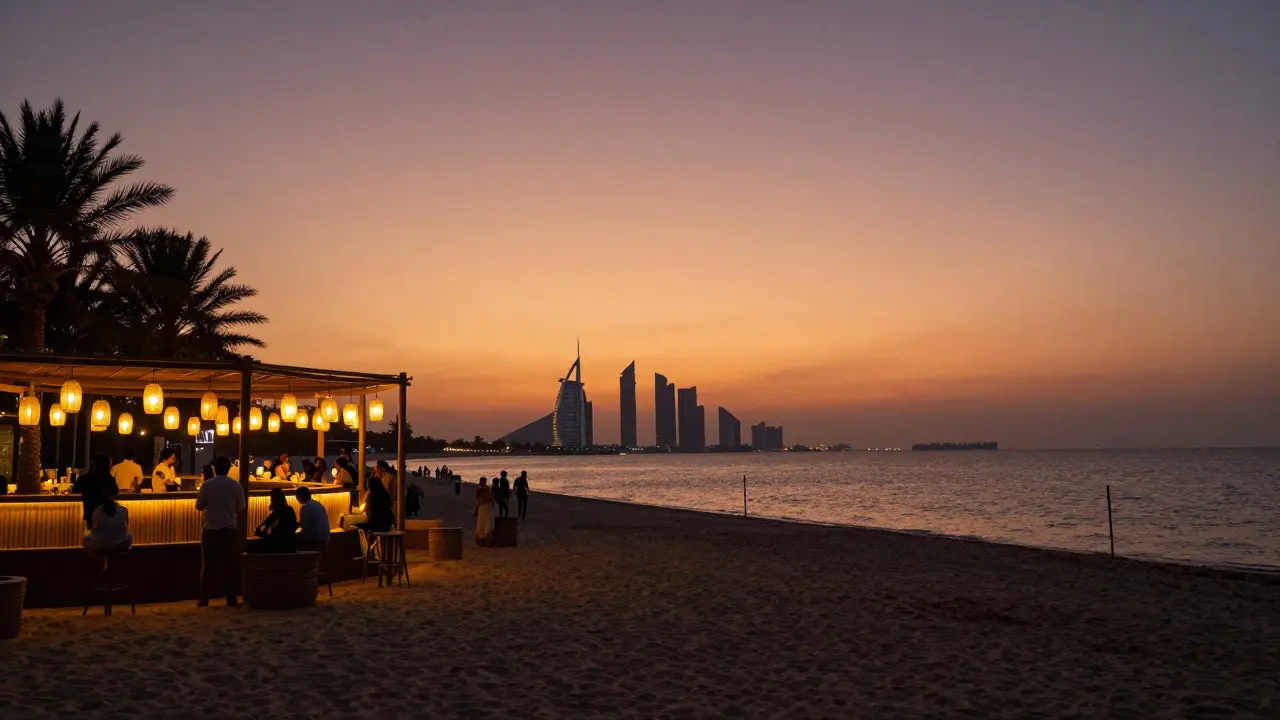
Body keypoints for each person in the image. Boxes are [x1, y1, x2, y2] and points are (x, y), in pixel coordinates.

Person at [196, 456, 246, 607]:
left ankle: (204, 598)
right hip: (230, 529)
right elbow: (241, 509)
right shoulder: (236, 486)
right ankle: (231, 597)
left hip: (210, 529)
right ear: (229, 469)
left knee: (208, 566)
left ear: (214, 468)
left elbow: (199, 506)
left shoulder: (207, 485)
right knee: (230, 565)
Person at [73, 454, 119, 530]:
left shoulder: (84, 478)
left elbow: (74, 491)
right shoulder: (108, 478)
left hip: (90, 513)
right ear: (107, 465)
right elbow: (115, 491)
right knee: (103, 535)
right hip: (105, 513)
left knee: (92, 534)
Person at [253, 487, 298, 553]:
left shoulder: (278, 510)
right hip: (290, 542)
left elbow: (267, 522)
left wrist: (258, 530)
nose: (270, 500)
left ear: (275, 499)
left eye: (271, 498)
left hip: (281, 543)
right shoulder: (289, 509)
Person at [295, 486, 331, 550]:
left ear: (298, 497)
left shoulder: (305, 507)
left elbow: (304, 526)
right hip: (326, 536)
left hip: (316, 539)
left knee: (293, 540)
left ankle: (305, 558)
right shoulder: (317, 503)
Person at [474, 477, 495, 547]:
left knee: (481, 524)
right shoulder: (489, 489)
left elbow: (478, 501)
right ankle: (488, 543)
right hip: (488, 508)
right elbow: (492, 499)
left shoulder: (479, 490)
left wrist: (475, 510)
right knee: (488, 524)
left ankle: (482, 542)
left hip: (482, 508)